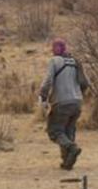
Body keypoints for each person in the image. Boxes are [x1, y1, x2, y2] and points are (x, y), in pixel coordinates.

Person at [38, 39, 89, 170]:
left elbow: (48, 81)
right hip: (77, 102)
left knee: (55, 131)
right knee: (68, 131)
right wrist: (77, 95)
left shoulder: (54, 61)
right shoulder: (76, 61)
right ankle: (67, 162)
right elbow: (85, 83)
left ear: (55, 49)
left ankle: (72, 148)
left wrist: (43, 96)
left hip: (61, 102)